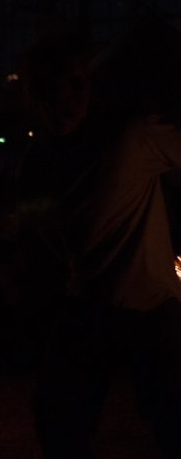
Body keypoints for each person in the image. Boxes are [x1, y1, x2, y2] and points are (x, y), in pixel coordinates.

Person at [13, 29, 181, 458]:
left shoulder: (133, 137)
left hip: (149, 307)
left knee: (171, 418)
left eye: (74, 84)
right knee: (57, 413)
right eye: (52, 87)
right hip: (91, 306)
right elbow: (45, 238)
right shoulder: (39, 164)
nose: (65, 98)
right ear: (34, 94)